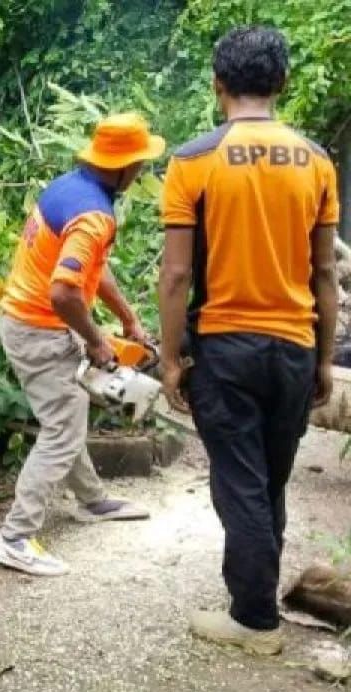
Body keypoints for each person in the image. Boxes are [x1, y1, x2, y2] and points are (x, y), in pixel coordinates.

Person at [158, 26, 341, 655]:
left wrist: (170, 358)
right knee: (269, 482)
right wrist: (323, 358)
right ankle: (257, 602)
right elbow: (324, 273)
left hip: (227, 347)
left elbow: (178, 273)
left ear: (217, 85)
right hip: (292, 347)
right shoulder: (317, 160)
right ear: (282, 83)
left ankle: (255, 620)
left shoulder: (192, 160)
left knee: (239, 484)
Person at [0, 113, 161, 577]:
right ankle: (15, 537)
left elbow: (91, 268)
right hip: (40, 328)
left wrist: (126, 319)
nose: (143, 172)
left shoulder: (72, 187)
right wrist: (97, 342)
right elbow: (64, 291)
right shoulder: (93, 214)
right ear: (125, 165)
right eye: (141, 164)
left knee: (68, 415)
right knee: (62, 430)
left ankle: (93, 500)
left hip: (32, 321)